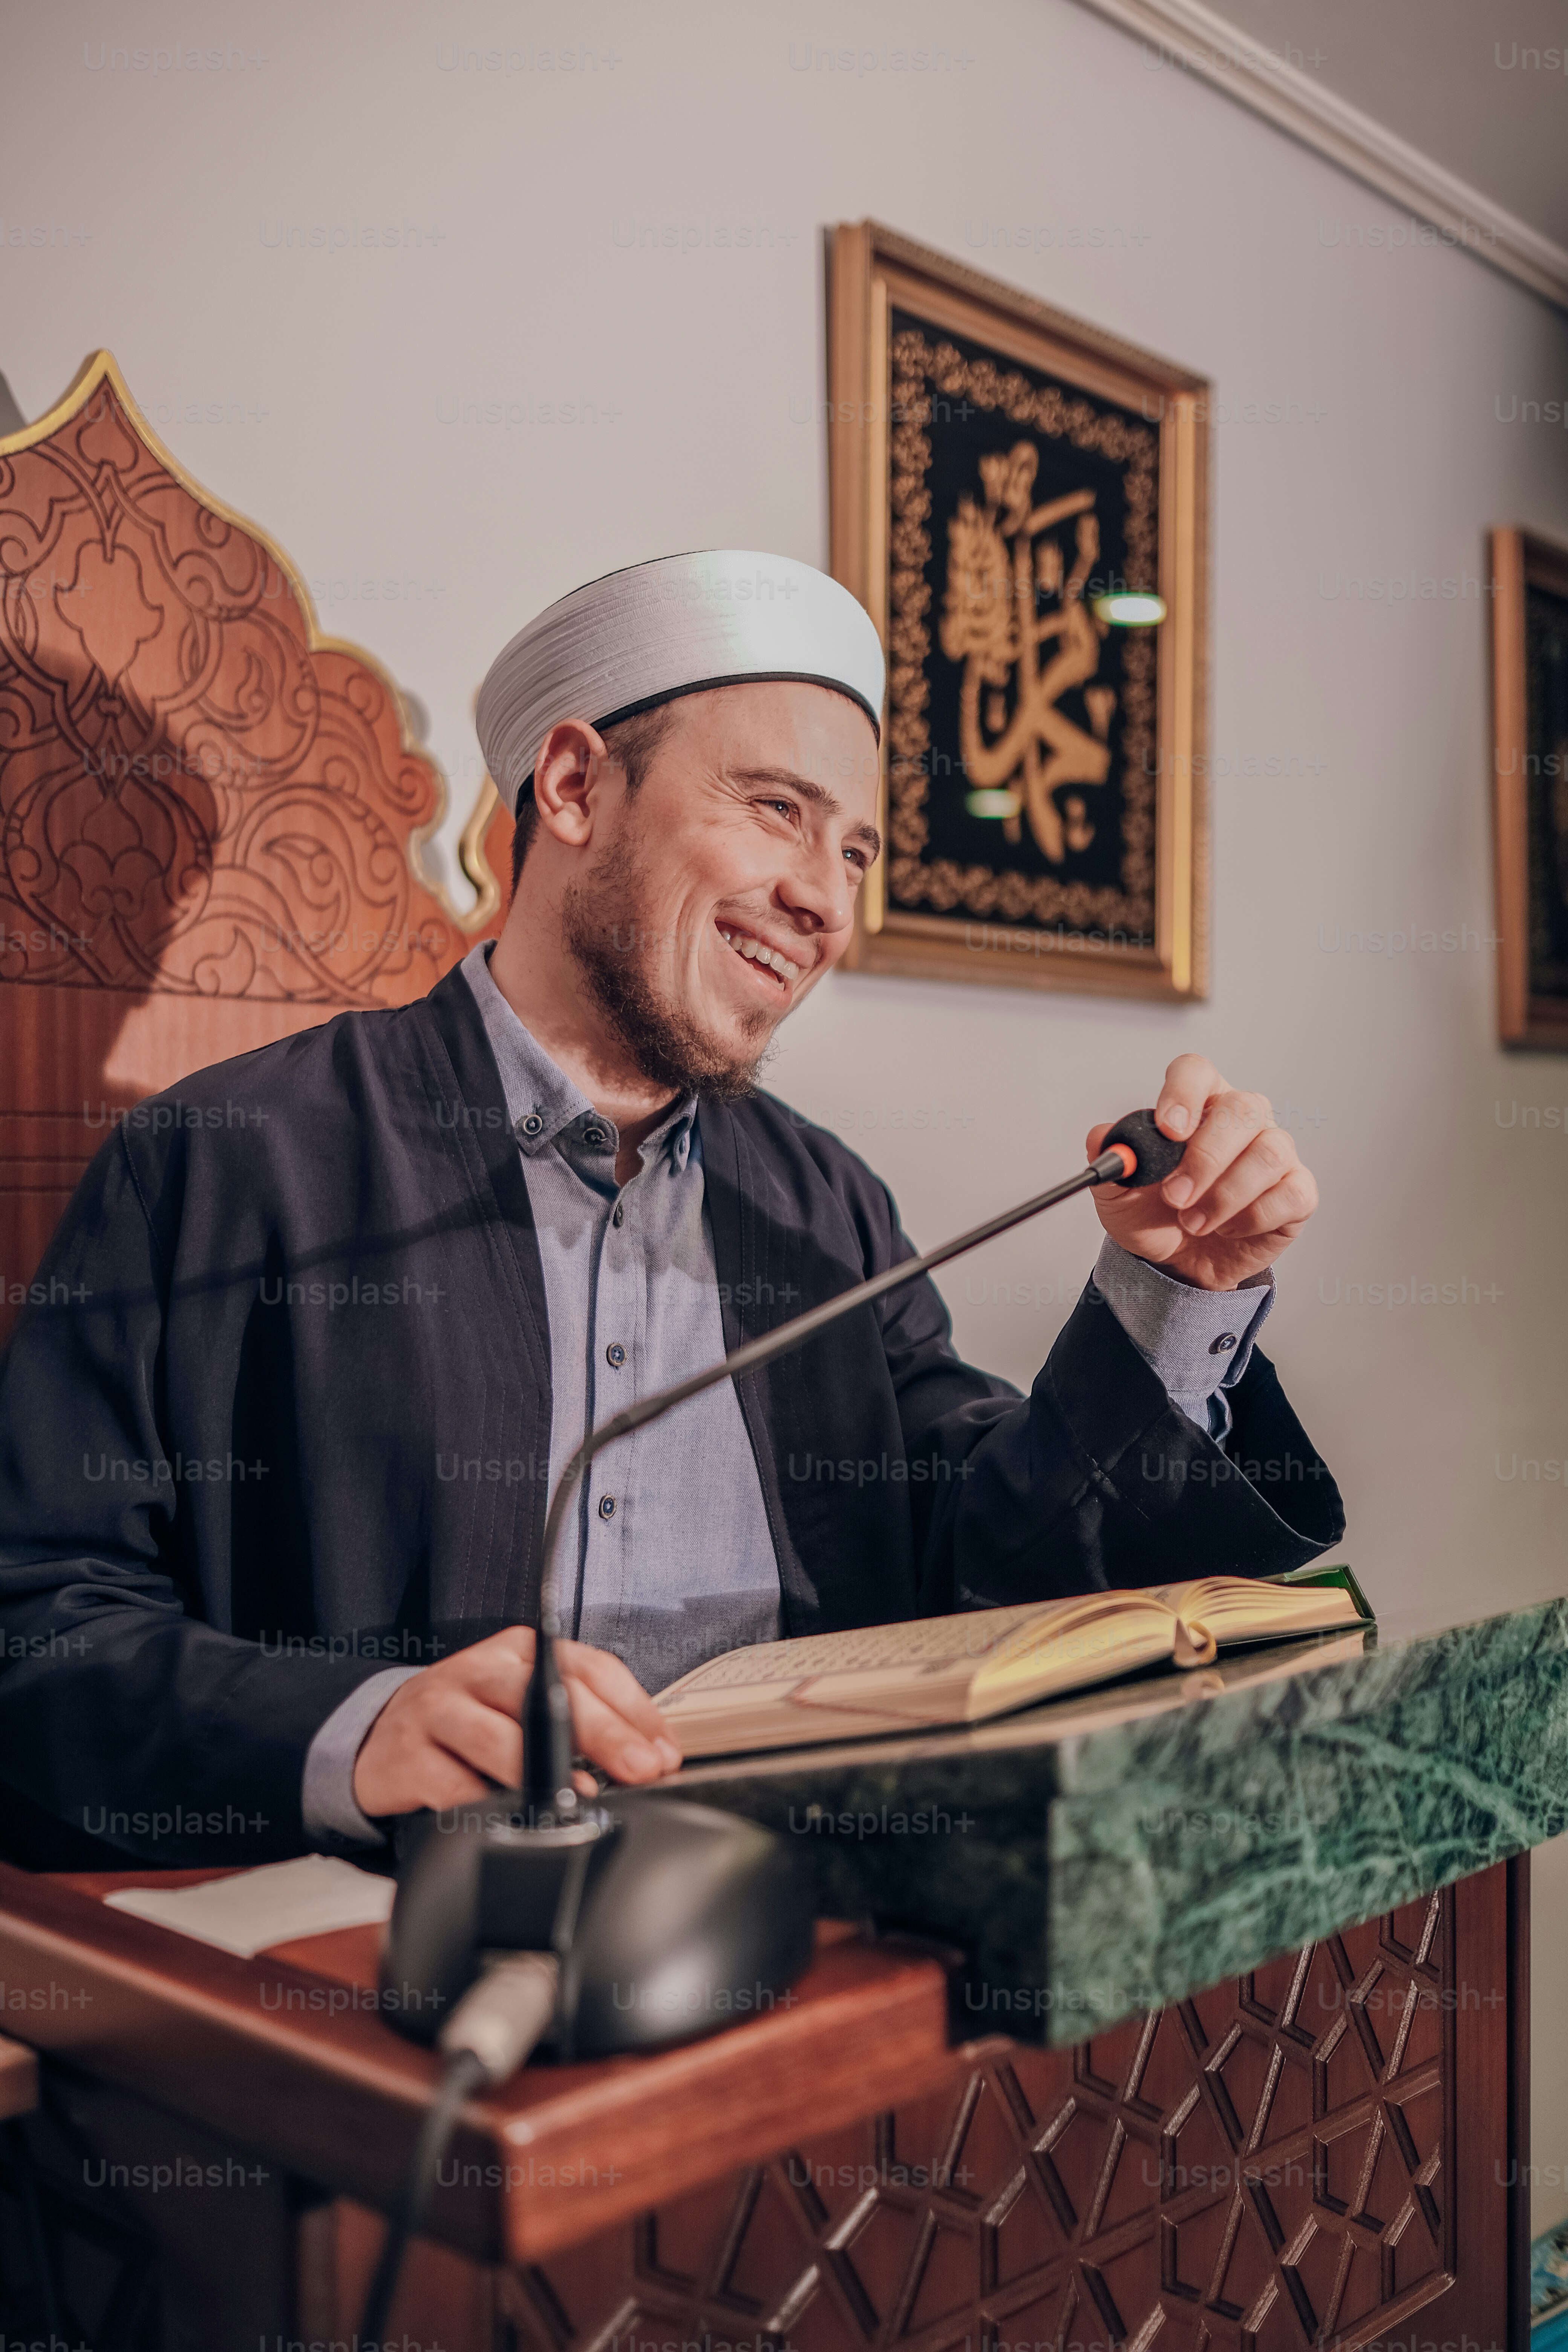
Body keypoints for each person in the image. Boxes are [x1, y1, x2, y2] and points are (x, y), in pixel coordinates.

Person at [0, 550, 1339, 1868]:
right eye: (775, 808)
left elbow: (988, 1556)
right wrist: (359, 1732)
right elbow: (43, 1623)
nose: (825, 900)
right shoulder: (230, 1158)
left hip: (813, 1942)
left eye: (857, 849)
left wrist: (1177, 1296)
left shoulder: (828, 1208)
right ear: (576, 787)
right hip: (385, 1959)